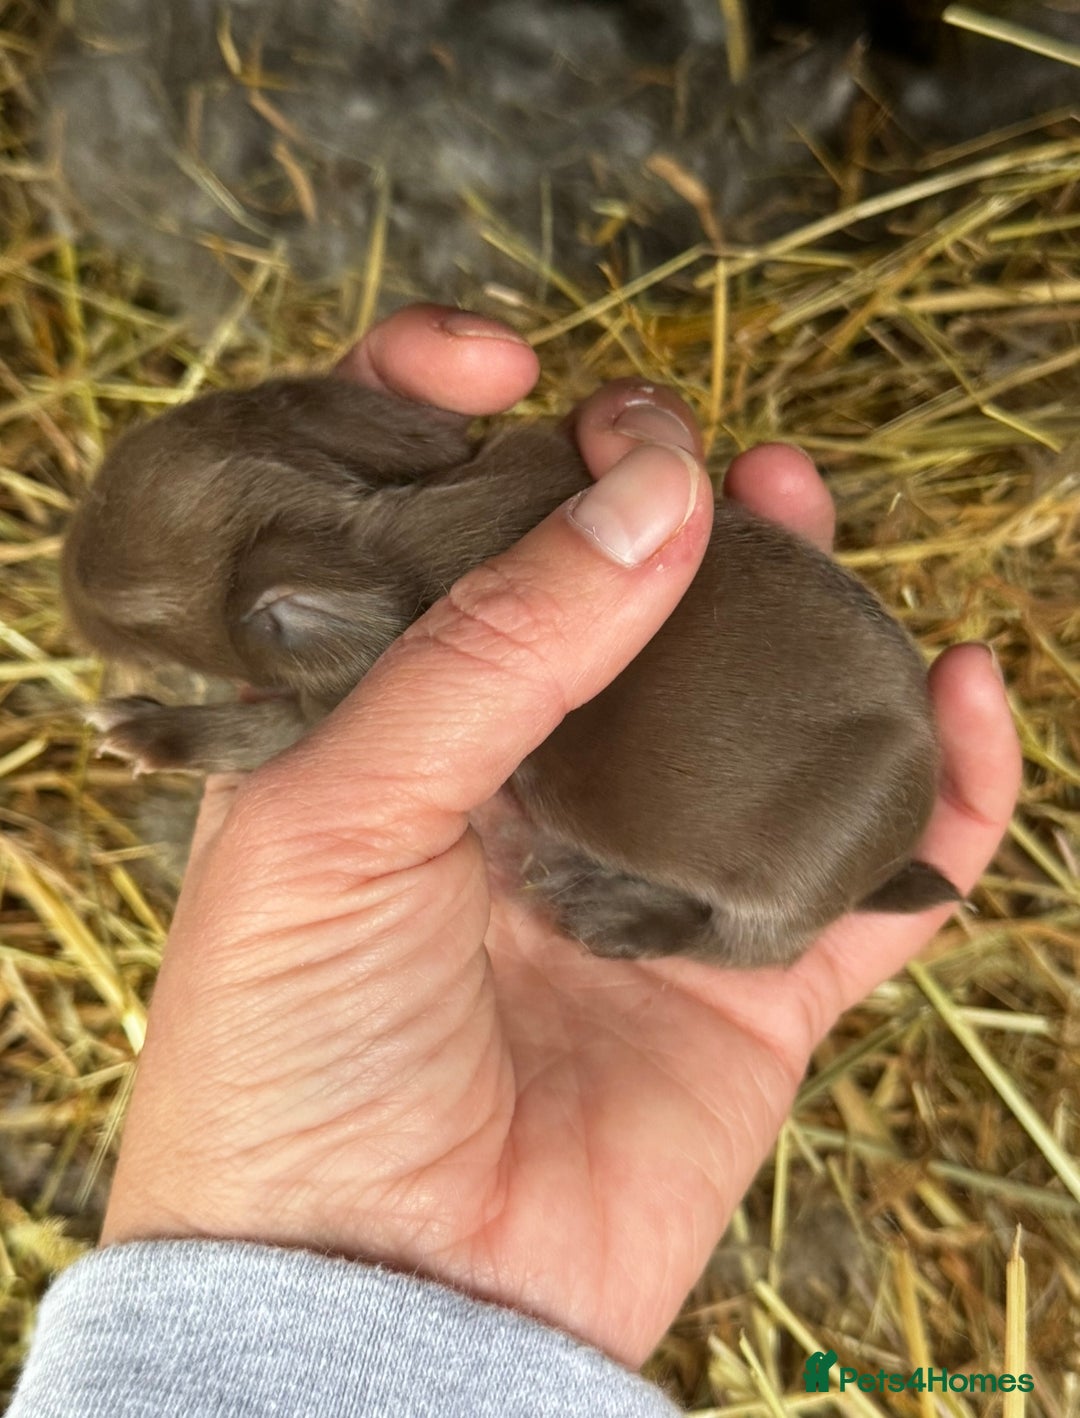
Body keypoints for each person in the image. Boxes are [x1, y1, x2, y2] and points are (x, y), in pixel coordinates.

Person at [10, 304, 1021, 1417]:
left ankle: (745, 935)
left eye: (159, 640)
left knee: (779, 893)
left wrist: (194, 731)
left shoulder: (389, 611)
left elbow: (333, 720)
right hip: (791, 728)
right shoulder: (522, 479)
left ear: (292, 614)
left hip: (837, 782)